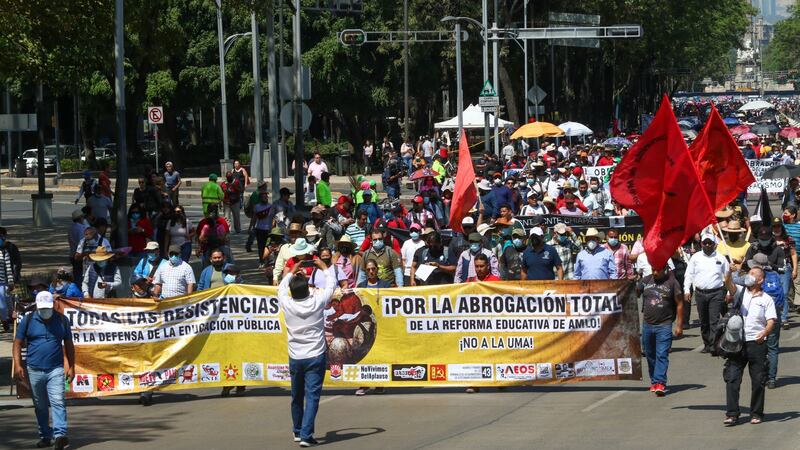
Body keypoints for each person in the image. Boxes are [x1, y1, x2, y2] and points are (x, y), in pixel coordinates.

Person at [278, 258, 336, 446]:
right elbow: (331, 285)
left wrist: (292, 270)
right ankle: (306, 435)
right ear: (308, 290)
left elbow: (281, 286)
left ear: (292, 291)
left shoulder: (287, 303)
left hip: (296, 357)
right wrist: (324, 267)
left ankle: (298, 431)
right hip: (315, 356)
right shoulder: (317, 301)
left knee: (296, 395)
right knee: (312, 397)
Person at [13, 291, 75, 450]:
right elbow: (17, 343)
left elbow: (69, 344)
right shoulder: (27, 320)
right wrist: (18, 365)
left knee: (58, 401)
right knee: (40, 405)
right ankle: (45, 436)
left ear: (53, 306)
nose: (45, 311)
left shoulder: (62, 320)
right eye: (42, 308)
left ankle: (60, 436)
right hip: (34, 370)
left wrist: (72, 366)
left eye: (48, 308)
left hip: (56, 369)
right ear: (37, 307)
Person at [722, 265, 776, 426]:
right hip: (737, 342)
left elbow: (771, 320)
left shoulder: (766, 299)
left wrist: (764, 333)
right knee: (732, 378)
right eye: (748, 273)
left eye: (752, 274)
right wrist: (729, 272)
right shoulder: (740, 292)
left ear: (760, 280)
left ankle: (756, 413)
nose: (749, 276)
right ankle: (732, 414)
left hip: (756, 344)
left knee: (758, 380)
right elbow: (728, 283)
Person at [638, 265, 683, 396]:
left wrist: (679, 325)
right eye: (653, 270)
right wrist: (630, 282)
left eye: (658, 270)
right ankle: (654, 381)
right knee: (649, 354)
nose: (655, 272)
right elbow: (635, 292)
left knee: (662, 354)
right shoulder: (646, 280)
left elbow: (680, 304)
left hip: (664, 325)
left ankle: (660, 382)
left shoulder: (672, 283)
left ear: (665, 270)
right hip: (647, 325)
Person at [684, 232, 729, 353]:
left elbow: (728, 276)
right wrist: (687, 290)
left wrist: (729, 292)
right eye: (705, 243)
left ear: (714, 244)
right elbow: (689, 274)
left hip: (716, 293)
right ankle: (707, 343)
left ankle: (714, 345)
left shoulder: (721, 258)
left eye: (710, 243)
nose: (708, 245)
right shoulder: (695, 257)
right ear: (701, 244)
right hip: (700, 294)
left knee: (714, 320)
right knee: (704, 321)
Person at [0, 227, 22, 330]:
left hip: (5, 282)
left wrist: (12, 281)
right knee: (2, 305)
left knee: (10, 303)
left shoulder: (7, 251)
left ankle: (10, 318)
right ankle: (4, 320)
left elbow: (10, 267)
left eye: (2, 236)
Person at [67, 209, 89, 282]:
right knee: (80, 275)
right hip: (79, 255)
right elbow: (82, 242)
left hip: (72, 254)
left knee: (76, 273)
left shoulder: (71, 228)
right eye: (83, 217)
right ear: (80, 218)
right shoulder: (81, 228)